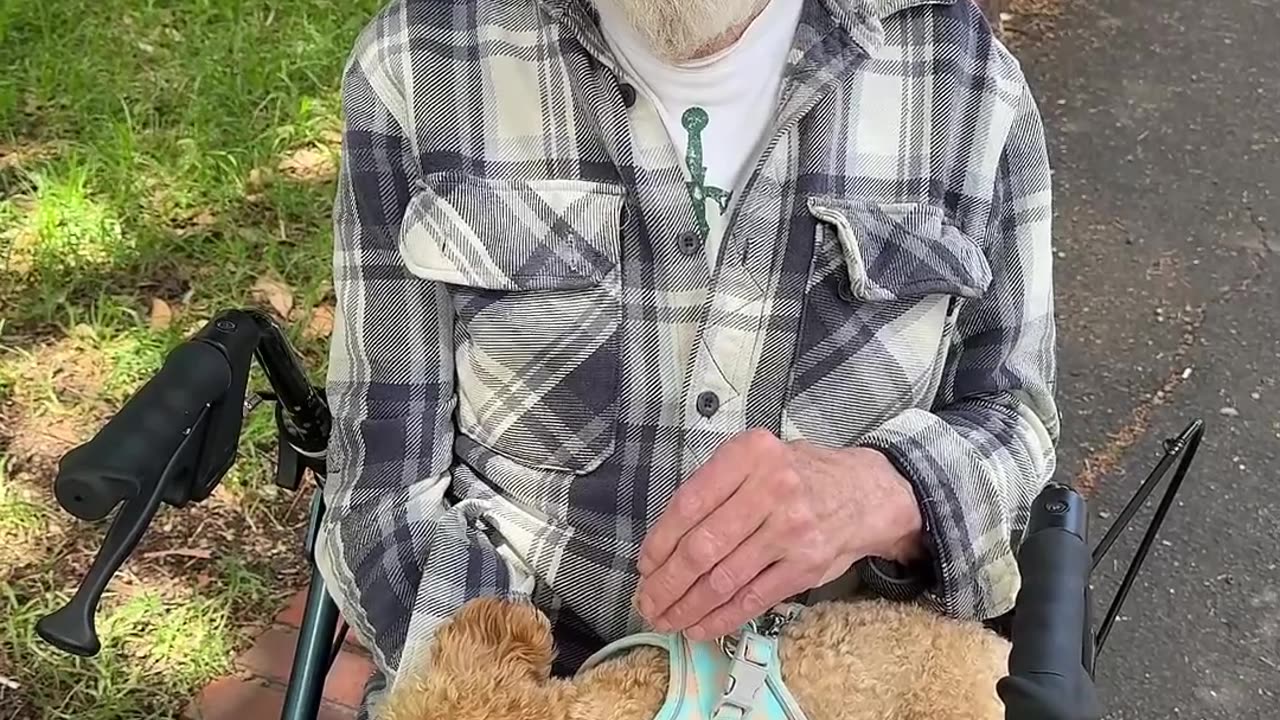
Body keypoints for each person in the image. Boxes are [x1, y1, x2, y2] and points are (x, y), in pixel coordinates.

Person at [316, 0, 1058, 714]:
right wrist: (503, 701)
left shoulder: (967, 82)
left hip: (835, 688)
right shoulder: (419, 62)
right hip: (533, 692)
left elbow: (1015, 419)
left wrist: (887, 492)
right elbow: (381, 487)